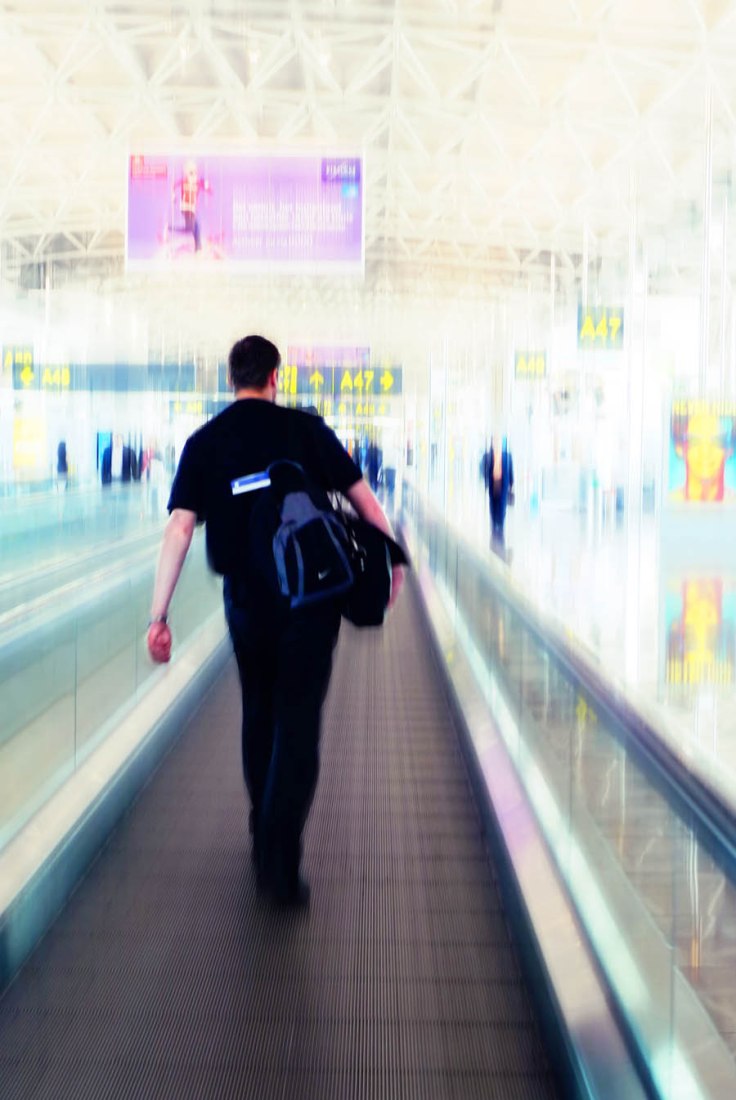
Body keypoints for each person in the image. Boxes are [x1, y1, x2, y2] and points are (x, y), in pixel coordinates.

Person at [146, 335, 405, 907]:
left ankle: (261, 831)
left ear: (230, 378)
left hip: (245, 602)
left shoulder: (205, 442)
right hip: (311, 603)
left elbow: (180, 529)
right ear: (274, 377)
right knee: (298, 721)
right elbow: (364, 501)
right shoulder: (307, 430)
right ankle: (280, 865)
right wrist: (392, 558)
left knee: (258, 711)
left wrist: (158, 615)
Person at [486, 435, 514, 542]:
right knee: (493, 504)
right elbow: (486, 469)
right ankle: (494, 523)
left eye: (497, 441)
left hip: (503, 484)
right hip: (493, 484)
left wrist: (511, 484)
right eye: (494, 441)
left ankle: (500, 525)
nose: (496, 443)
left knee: (502, 505)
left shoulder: (507, 455)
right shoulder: (489, 455)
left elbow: (510, 470)